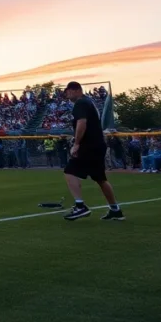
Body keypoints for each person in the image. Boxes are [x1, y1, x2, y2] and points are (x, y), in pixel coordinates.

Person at [61, 82, 124, 221]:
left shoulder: (81, 103)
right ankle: (115, 210)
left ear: (76, 90)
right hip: (97, 144)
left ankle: (80, 206)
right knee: (100, 178)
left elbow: (82, 123)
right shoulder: (88, 102)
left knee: (69, 171)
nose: (67, 94)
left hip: (89, 145)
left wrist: (76, 143)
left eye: (68, 91)